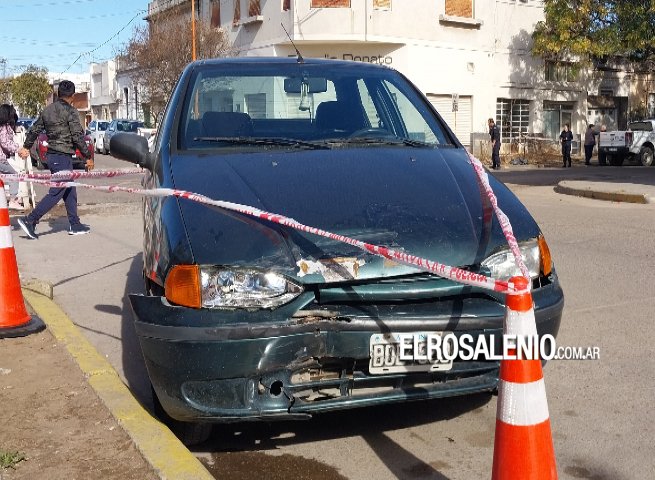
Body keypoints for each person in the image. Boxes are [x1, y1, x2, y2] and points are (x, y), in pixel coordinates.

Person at [17, 81, 92, 239]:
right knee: (57, 192)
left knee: (70, 189)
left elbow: (35, 129)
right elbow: (78, 136)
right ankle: (30, 220)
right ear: (72, 96)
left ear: (58, 94)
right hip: (62, 157)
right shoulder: (70, 111)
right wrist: (87, 156)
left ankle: (75, 223)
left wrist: (26, 146)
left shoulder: (47, 110)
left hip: (53, 157)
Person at [0, 104, 29, 210]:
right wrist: (19, 149)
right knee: (14, 175)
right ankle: (13, 200)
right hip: (0, 159)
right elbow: (5, 142)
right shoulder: (4, 126)